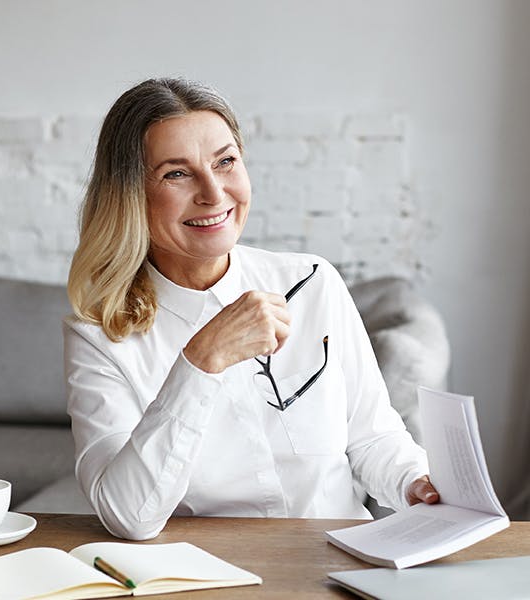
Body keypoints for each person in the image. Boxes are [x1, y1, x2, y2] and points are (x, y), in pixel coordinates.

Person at [64, 77, 439, 541]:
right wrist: (200, 362)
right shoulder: (100, 334)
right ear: (131, 193)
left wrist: (417, 485)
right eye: (176, 174)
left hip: (343, 560)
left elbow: (373, 436)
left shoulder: (312, 282)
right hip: (213, 575)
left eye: (226, 162)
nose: (214, 193)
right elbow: (127, 516)